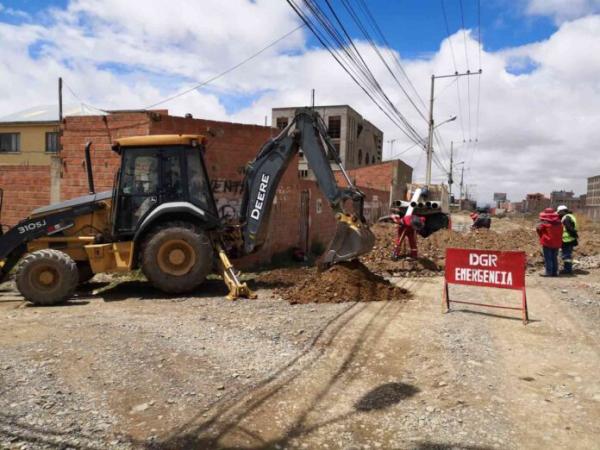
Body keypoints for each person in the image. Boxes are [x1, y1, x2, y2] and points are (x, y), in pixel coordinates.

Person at [536, 208, 563, 277]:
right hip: (556, 243)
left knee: (548, 258)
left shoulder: (545, 223)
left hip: (547, 242)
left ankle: (548, 272)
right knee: (554, 257)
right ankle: (554, 272)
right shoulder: (559, 222)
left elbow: (538, 229)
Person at [556, 205, 578, 275]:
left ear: (563, 211)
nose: (558, 214)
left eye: (559, 212)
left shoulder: (566, 218)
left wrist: (574, 234)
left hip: (567, 240)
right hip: (569, 239)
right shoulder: (571, 216)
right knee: (567, 255)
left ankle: (568, 270)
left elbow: (569, 228)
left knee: (566, 255)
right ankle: (568, 269)